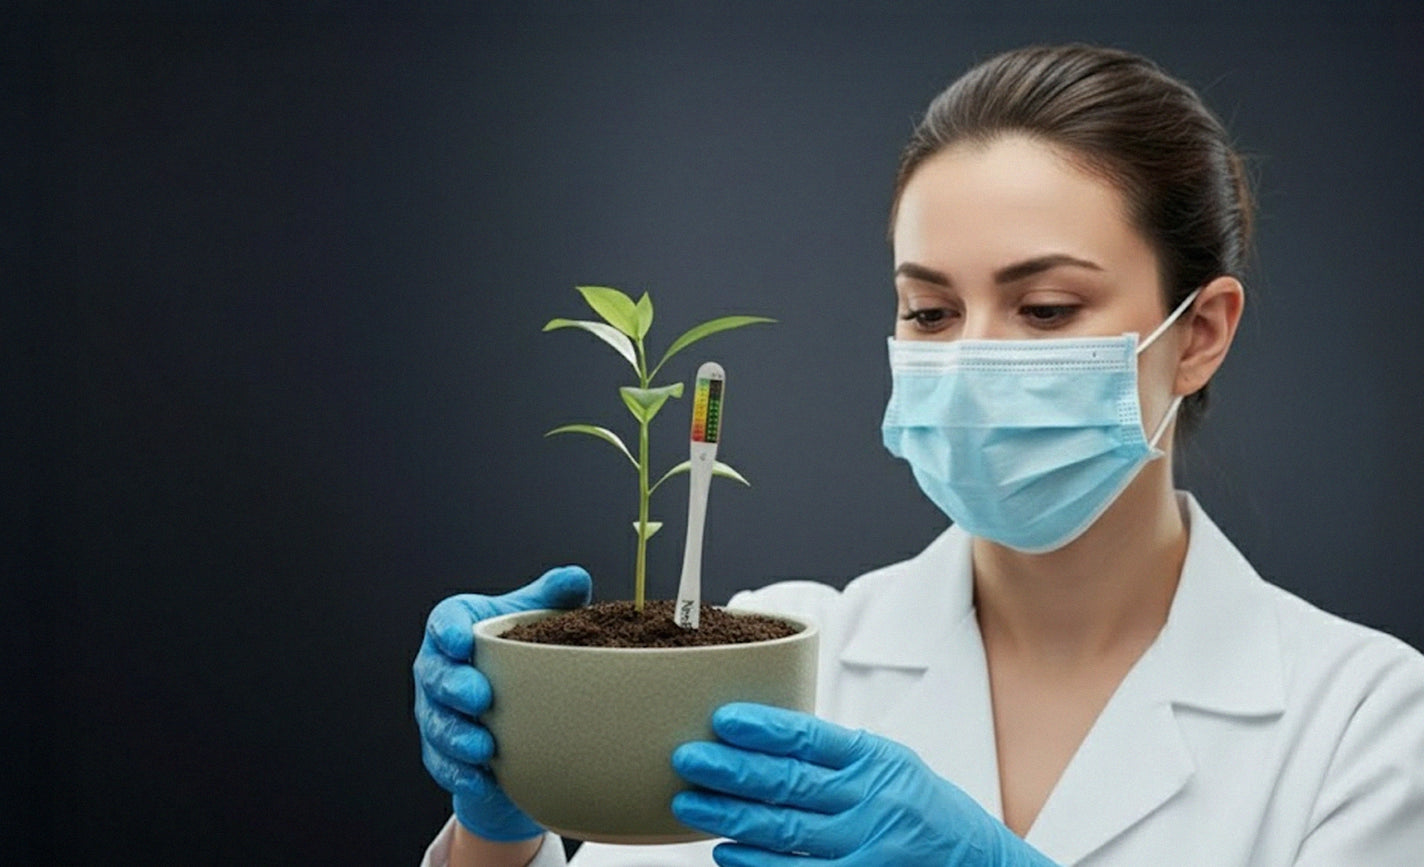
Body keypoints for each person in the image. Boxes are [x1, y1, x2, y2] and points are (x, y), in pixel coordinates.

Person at [413, 43, 1424, 866]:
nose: (971, 357)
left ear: (1196, 333)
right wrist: (497, 833)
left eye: (1043, 308)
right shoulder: (783, 657)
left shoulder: (1366, 724)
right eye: (929, 311)